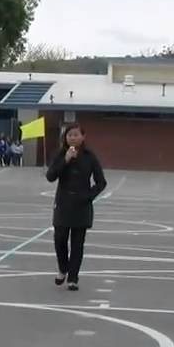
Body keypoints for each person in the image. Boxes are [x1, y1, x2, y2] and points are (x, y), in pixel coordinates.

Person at [45, 124, 107, 291]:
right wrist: (65, 160)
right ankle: (63, 268)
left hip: (81, 206)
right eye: (69, 135)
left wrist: (88, 196)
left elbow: (101, 182)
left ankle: (73, 278)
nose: (72, 137)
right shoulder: (60, 154)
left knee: (78, 244)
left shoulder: (89, 156)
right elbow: (50, 176)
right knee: (60, 239)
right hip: (63, 204)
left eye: (76, 134)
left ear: (83, 137)